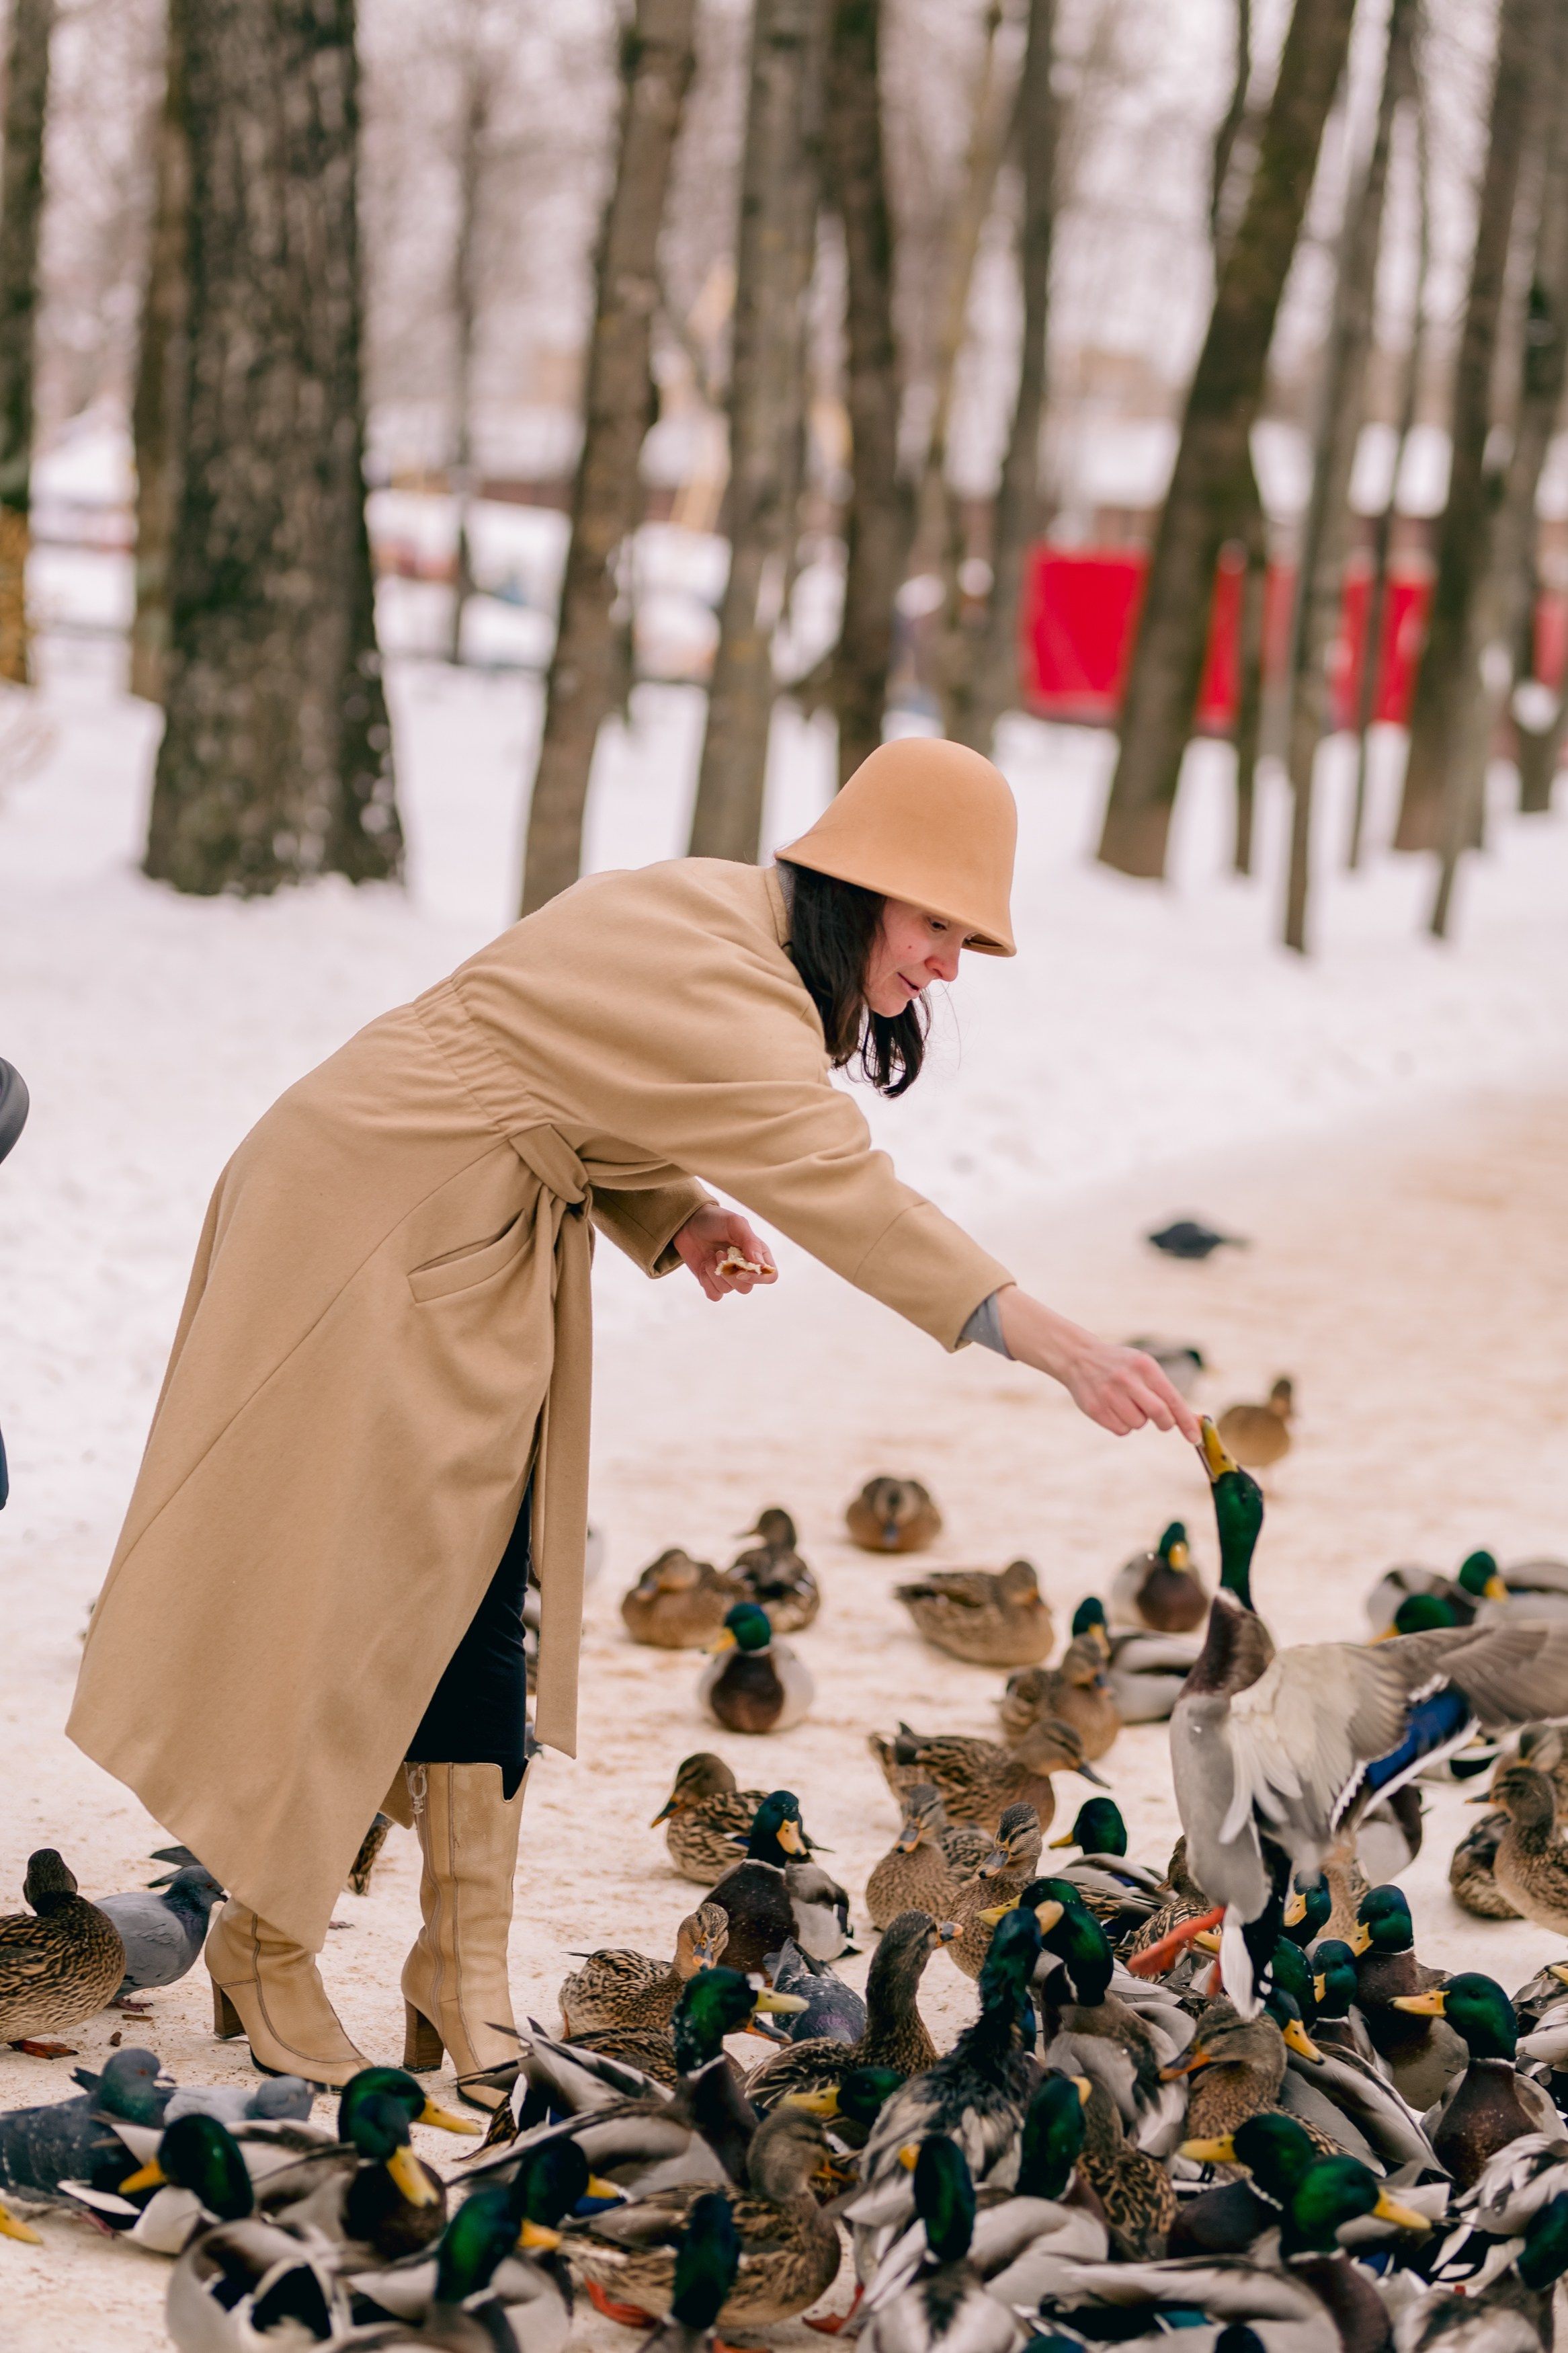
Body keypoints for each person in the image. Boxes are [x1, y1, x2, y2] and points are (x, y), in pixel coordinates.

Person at [69, 737, 1198, 2097]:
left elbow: (569, 1071)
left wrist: (670, 1210)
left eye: (968, 939)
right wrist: (1062, 1347)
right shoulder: (733, 979)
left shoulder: (709, 915)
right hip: (370, 1223)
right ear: (859, 884)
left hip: (448, 1225)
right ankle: (270, 1935)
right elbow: (854, 1200)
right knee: (348, 1587)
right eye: (937, 925)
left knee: (477, 1594)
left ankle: (455, 1969)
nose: (948, 965)